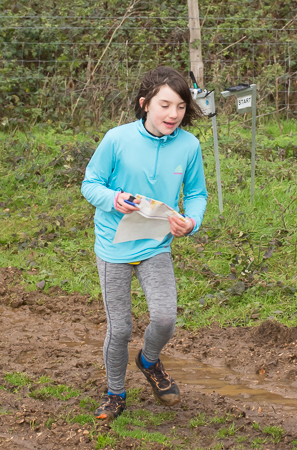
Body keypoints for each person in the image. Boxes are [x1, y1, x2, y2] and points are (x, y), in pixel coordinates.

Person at [80, 66, 208, 421]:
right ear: (145, 104)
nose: (173, 114)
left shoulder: (189, 145)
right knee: (120, 328)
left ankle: (149, 361)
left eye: (180, 106)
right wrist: (113, 199)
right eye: (165, 105)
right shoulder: (117, 139)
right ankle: (115, 394)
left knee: (165, 318)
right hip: (114, 247)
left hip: (155, 244)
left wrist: (191, 222)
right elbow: (90, 184)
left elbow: (196, 194)